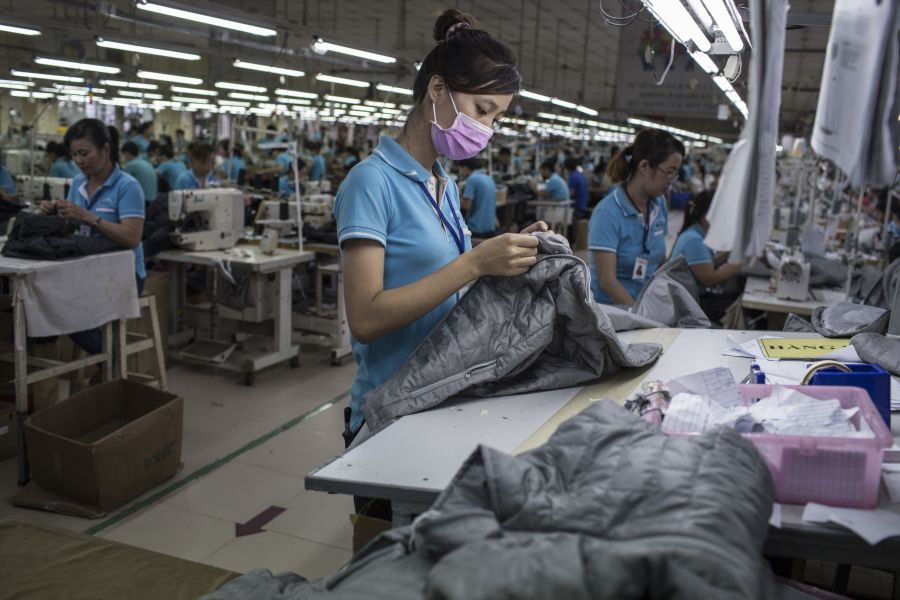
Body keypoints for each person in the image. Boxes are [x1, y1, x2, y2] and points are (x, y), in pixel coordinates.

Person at [335, 8, 544, 448]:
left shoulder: (443, 184)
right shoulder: (371, 182)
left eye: (496, 119)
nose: (486, 129)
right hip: (387, 410)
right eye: (482, 110)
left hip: (442, 391)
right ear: (437, 89)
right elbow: (365, 319)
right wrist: (474, 264)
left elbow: (442, 276)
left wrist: (505, 254)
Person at [38, 119, 145, 353]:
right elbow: (71, 227)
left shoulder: (128, 187)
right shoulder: (77, 182)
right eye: (74, 154)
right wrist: (53, 214)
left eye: (85, 153)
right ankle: (107, 362)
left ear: (105, 150)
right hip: (88, 269)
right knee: (42, 301)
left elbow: (132, 237)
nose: (79, 161)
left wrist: (88, 217)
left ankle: (111, 361)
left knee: (61, 309)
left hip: (124, 275)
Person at [588, 129, 685, 305]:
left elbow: (661, 258)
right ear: (644, 167)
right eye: (669, 172)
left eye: (675, 173)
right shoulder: (607, 213)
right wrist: (640, 316)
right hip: (611, 313)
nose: (672, 180)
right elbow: (607, 281)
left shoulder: (659, 203)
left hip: (647, 303)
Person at [669, 190, 744, 322]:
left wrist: (732, 253)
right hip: (689, 306)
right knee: (740, 304)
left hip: (692, 299)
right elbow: (709, 278)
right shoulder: (693, 240)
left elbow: (707, 264)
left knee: (736, 295)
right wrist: (743, 261)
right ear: (707, 216)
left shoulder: (696, 234)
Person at [457, 157, 496, 236]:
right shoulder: (488, 177)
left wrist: (457, 200)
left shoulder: (472, 179)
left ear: (465, 168)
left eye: (460, 169)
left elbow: (466, 206)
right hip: (491, 227)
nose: (459, 172)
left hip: (477, 229)